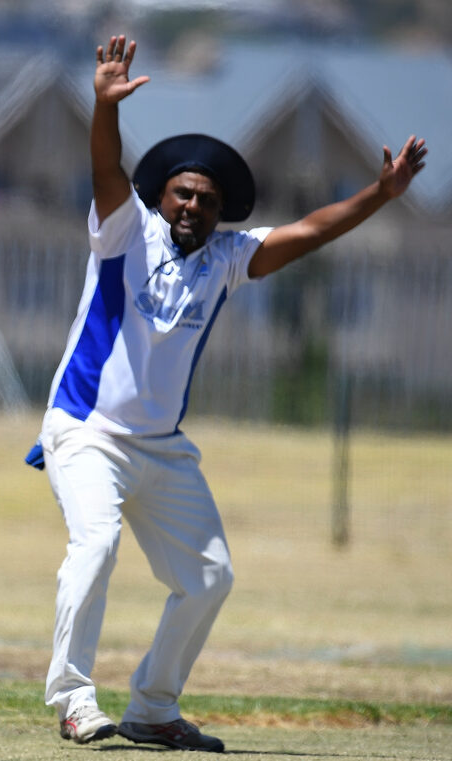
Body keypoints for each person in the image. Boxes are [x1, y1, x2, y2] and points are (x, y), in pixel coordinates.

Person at [32, 35, 426, 752]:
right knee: (95, 544)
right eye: (183, 192)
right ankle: (72, 699)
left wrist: (381, 193)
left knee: (210, 575)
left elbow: (308, 230)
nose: (193, 205)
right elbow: (103, 167)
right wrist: (102, 106)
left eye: (207, 200)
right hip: (85, 429)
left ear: (220, 213)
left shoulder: (227, 258)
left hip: (161, 447)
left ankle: (153, 707)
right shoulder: (125, 232)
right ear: (162, 196)